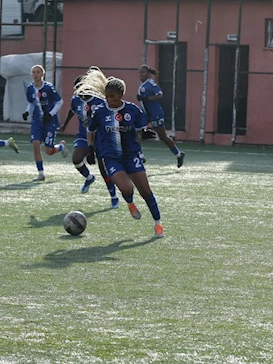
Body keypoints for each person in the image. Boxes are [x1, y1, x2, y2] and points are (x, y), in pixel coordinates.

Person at [85, 71, 165, 238]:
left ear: (121, 95)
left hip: (131, 155)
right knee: (126, 188)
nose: (109, 100)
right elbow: (90, 130)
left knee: (145, 191)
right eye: (107, 96)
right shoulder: (100, 111)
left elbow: (139, 131)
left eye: (112, 96)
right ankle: (130, 203)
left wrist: (144, 134)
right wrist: (90, 148)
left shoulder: (132, 110)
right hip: (111, 157)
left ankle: (158, 223)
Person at [59, 74, 119, 208]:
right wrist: (65, 124)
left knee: (104, 170)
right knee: (76, 159)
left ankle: (113, 196)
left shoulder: (100, 101)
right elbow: (72, 110)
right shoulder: (76, 99)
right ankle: (89, 178)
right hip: (83, 135)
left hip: (100, 138)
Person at [23, 64, 67, 181]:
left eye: (38, 72)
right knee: (36, 145)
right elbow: (31, 103)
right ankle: (41, 173)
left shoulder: (49, 88)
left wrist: (51, 114)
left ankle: (61, 147)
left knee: (49, 151)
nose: (35, 74)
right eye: (33, 72)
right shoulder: (30, 89)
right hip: (37, 122)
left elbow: (59, 102)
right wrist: (27, 112)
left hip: (49, 123)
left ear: (42, 74)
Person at [137, 65, 186, 168]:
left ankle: (179, 154)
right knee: (135, 130)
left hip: (155, 114)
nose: (141, 74)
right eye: (140, 72)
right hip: (146, 113)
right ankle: (140, 155)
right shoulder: (143, 84)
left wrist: (147, 98)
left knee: (163, 137)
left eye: (143, 72)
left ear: (148, 73)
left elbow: (160, 94)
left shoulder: (151, 83)